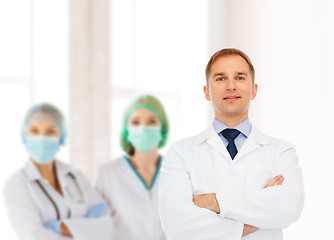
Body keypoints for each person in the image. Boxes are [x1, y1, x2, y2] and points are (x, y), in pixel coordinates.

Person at [158, 48, 304, 239]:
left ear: (254, 90)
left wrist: (213, 201)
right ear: (207, 92)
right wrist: (259, 214)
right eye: (220, 78)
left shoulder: (280, 151)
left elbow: (290, 205)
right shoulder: (181, 153)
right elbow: (175, 224)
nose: (231, 86)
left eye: (240, 77)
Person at [3, 103, 113, 240]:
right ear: (24, 135)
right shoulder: (17, 184)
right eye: (34, 131)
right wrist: (85, 231)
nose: (42, 138)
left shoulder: (75, 176)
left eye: (50, 131)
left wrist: (57, 227)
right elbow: (33, 236)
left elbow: (105, 224)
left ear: (61, 137)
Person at [96, 95, 169, 240]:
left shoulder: (176, 170)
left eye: (151, 121)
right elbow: (98, 228)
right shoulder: (108, 173)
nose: (143, 128)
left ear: (162, 128)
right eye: (135, 122)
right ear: (126, 130)